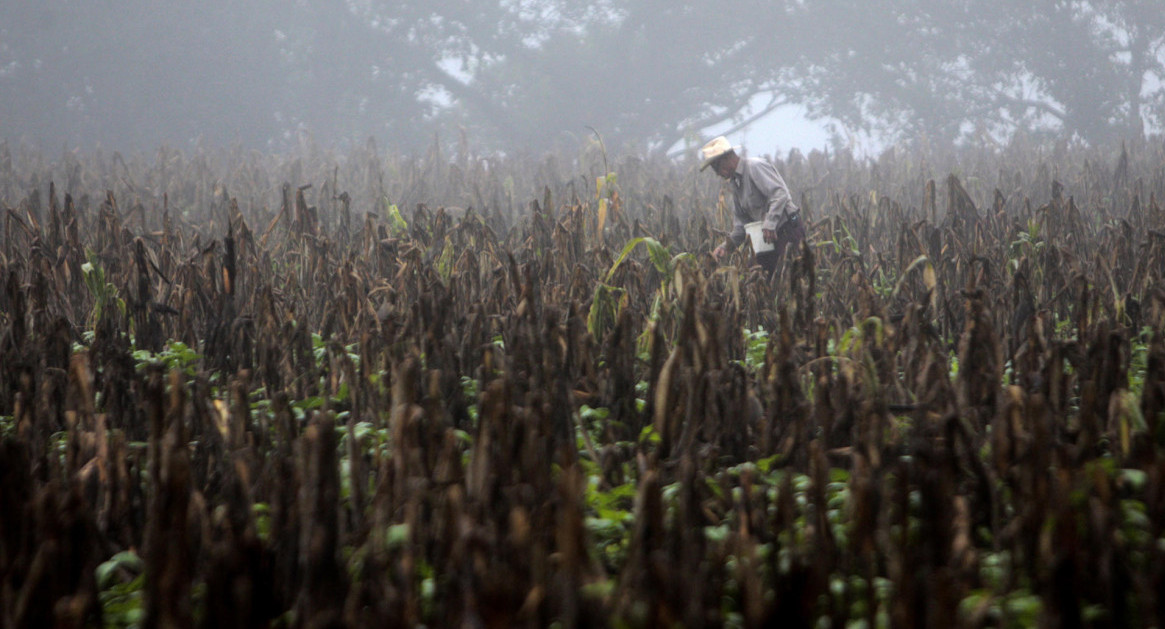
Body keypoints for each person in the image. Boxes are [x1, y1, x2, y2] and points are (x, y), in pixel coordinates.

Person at [701, 136, 805, 274]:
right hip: (767, 239)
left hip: (787, 231)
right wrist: (726, 246)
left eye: (716, 166)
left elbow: (780, 193)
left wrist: (770, 223)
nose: (716, 173)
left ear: (727, 158)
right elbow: (742, 225)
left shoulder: (755, 167)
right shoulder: (735, 183)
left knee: (787, 279)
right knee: (754, 276)